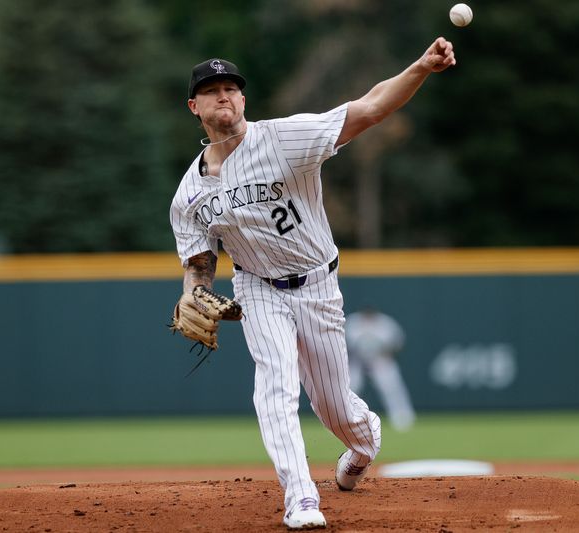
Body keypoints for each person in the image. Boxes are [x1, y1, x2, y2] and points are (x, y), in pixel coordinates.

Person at [169, 38, 456, 530]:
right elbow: (199, 260)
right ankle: (301, 497)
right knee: (274, 387)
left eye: (232, 89)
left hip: (318, 286)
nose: (225, 97)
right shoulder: (188, 195)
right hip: (257, 287)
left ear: (244, 99)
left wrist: (421, 68)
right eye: (212, 91)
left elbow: (367, 109)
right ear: (195, 107)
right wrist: (190, 290)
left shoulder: (283, 138)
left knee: (335, 408)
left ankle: (364, 445)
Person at [345, 307, 416, 432]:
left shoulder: (385, 323)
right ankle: (344, 420)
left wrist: (387, 354)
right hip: (357, 361)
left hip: (379, 359)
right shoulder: (352, 322)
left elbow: (397, 344)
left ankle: (402, 418)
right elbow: (343, 344)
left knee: (391, 388)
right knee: (349, 390)